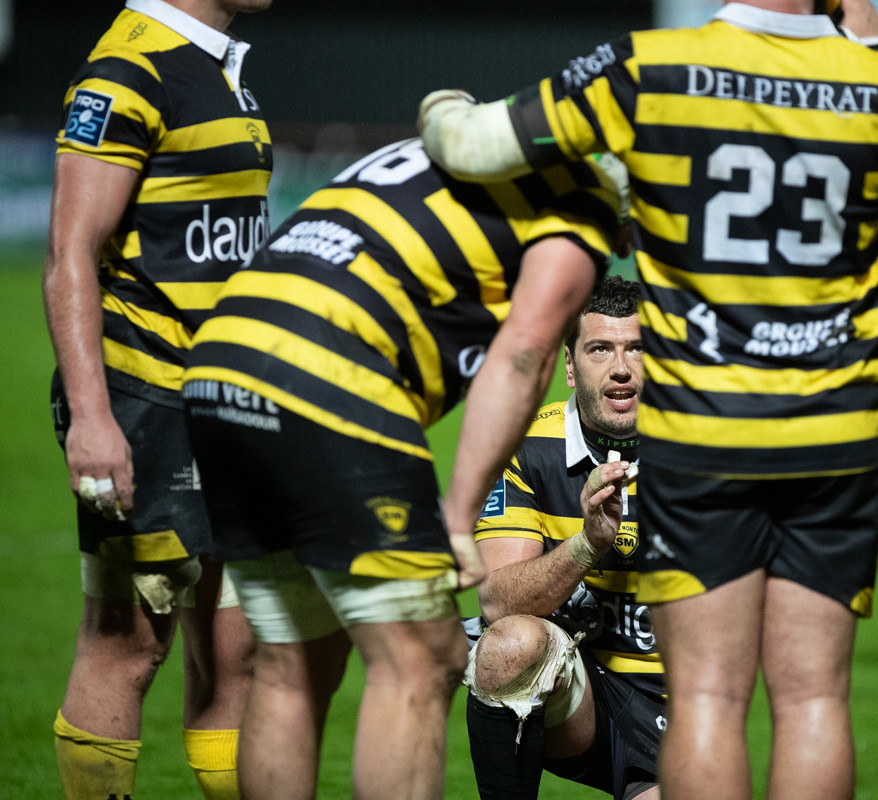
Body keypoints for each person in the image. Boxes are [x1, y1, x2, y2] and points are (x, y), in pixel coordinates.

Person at [417, 1, 878, 797]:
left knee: (706, 698)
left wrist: (443, 107)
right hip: (832, 429)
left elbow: (474, 142)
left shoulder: (651, 64)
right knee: (812, 698)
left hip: (705, 428)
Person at [180, 138, 626, 800]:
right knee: (421, 659)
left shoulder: (464, 145)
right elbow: (523, 356)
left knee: (288, 659)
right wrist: (459, 514)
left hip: (218, 365)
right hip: (327, 375)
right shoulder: (578, 200)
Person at [43, 1, 271, 798]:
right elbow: (69, 253)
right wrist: (92, 419)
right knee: (129, 645)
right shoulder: (127, 70)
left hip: (225, 399)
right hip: (146, 396)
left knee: (238, 650)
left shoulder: (213, 66)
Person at [465, 276, 662, 800]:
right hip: (576, 692)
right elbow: (496, 601)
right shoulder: (526, 443)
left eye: (637, 348)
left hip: (677, 698)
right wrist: (585, 546)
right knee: (509, 644)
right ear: (571, 367)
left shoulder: (704, 450)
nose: (620, 368)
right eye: (600, 349)